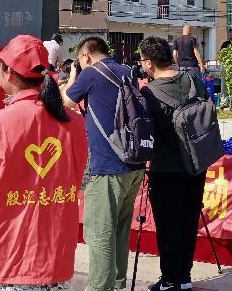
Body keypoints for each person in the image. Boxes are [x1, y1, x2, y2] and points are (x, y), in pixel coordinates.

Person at [0, 34, 88, 291]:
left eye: (0, 67)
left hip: (1, 260)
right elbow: (81, 180)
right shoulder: (77, 124)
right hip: (54, 260)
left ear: (9, 73)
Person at [61, 36, 144, 291]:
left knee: (99, 233)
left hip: (107, 166)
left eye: (79, 61)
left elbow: (67, 102)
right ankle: (116, 283)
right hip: (134, 163)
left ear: (86, 56)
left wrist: (73, 75)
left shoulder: (91, 73)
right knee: (119, 229)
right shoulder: (127, 72)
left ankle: (99, 287)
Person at [138, 37, 211, 291]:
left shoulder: (148, 93)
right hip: (196, 164)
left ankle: (169, 280)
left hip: (165, 168)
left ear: (149, 63)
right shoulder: (193, 80)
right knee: (188, 220)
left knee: (168, 225)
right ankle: (184, 277)